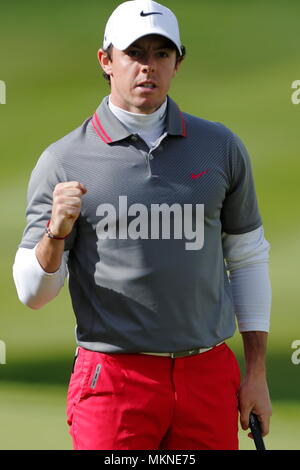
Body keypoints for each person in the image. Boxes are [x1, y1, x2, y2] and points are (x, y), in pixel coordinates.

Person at [13, 0, 272, 451]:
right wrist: (56, 232)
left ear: (177, 63)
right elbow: (33, 295)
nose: (147, 67)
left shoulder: (220, 147)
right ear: (106, 60)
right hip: (114, 379)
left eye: (161, 54)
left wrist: (257, 374)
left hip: (207, 373)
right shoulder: (64, 160)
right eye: (134, 53)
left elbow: (247, 259)